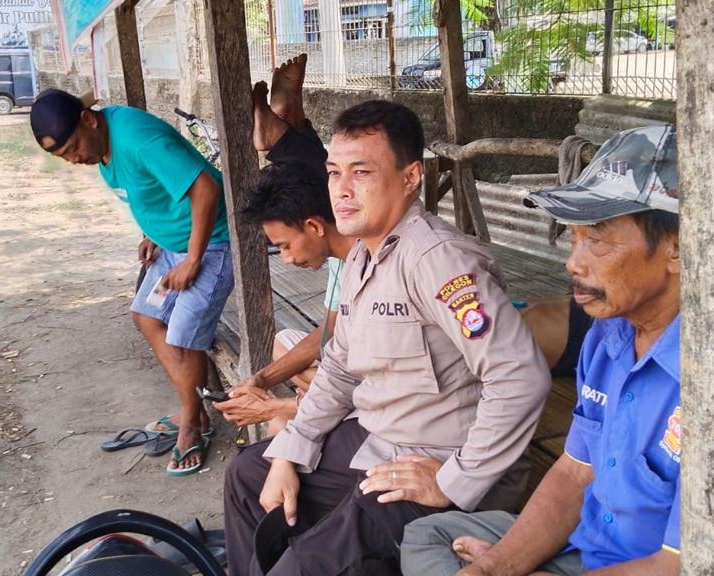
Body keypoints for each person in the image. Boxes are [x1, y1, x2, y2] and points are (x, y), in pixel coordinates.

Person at [400, 125, 714, 576]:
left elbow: (694, 566)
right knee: (427, 535)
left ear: (678, 248)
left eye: (597, 239)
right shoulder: (611, 335)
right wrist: (498, 566)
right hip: (591, 547)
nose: (574, 262)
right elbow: (575, 472)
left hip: (672, 568)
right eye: (573, 237)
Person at [223, 100, 552, 576]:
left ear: (410, 177)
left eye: (361, 173)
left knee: (308, 562)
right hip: (380, 438)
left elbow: (520, 376)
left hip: (438, 457)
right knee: (248, 475)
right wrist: (291, 448)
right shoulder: (362, 257)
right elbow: (338, 369)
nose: (341, 189)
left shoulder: (438, 260)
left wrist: (455, 480)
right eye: (334, 173)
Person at [29, 89, 232, 477]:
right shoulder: (101, 143)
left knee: (183, 336)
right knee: (146, 316)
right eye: (63, 157)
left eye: (72, 149)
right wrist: (152, 232)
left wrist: (193, 259)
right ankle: (194, 409)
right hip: (173, 244)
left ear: (89, 120)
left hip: (214, 242)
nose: (73, 160)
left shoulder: (136, 138)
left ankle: (192, 423)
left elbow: (206, 187)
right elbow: (150, 188)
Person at [214, 54, 353, 435]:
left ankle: (285, 128)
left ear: (314, 226)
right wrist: (260, 379)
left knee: (281, 424)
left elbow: (383, 383)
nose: (286, 260)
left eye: (286, 246)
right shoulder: (341, 253)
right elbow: (330, 329)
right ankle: (287, 126)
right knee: (284, 344)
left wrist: (281, 405)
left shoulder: (371, 259)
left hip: (385, 391)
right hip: (352, 367)